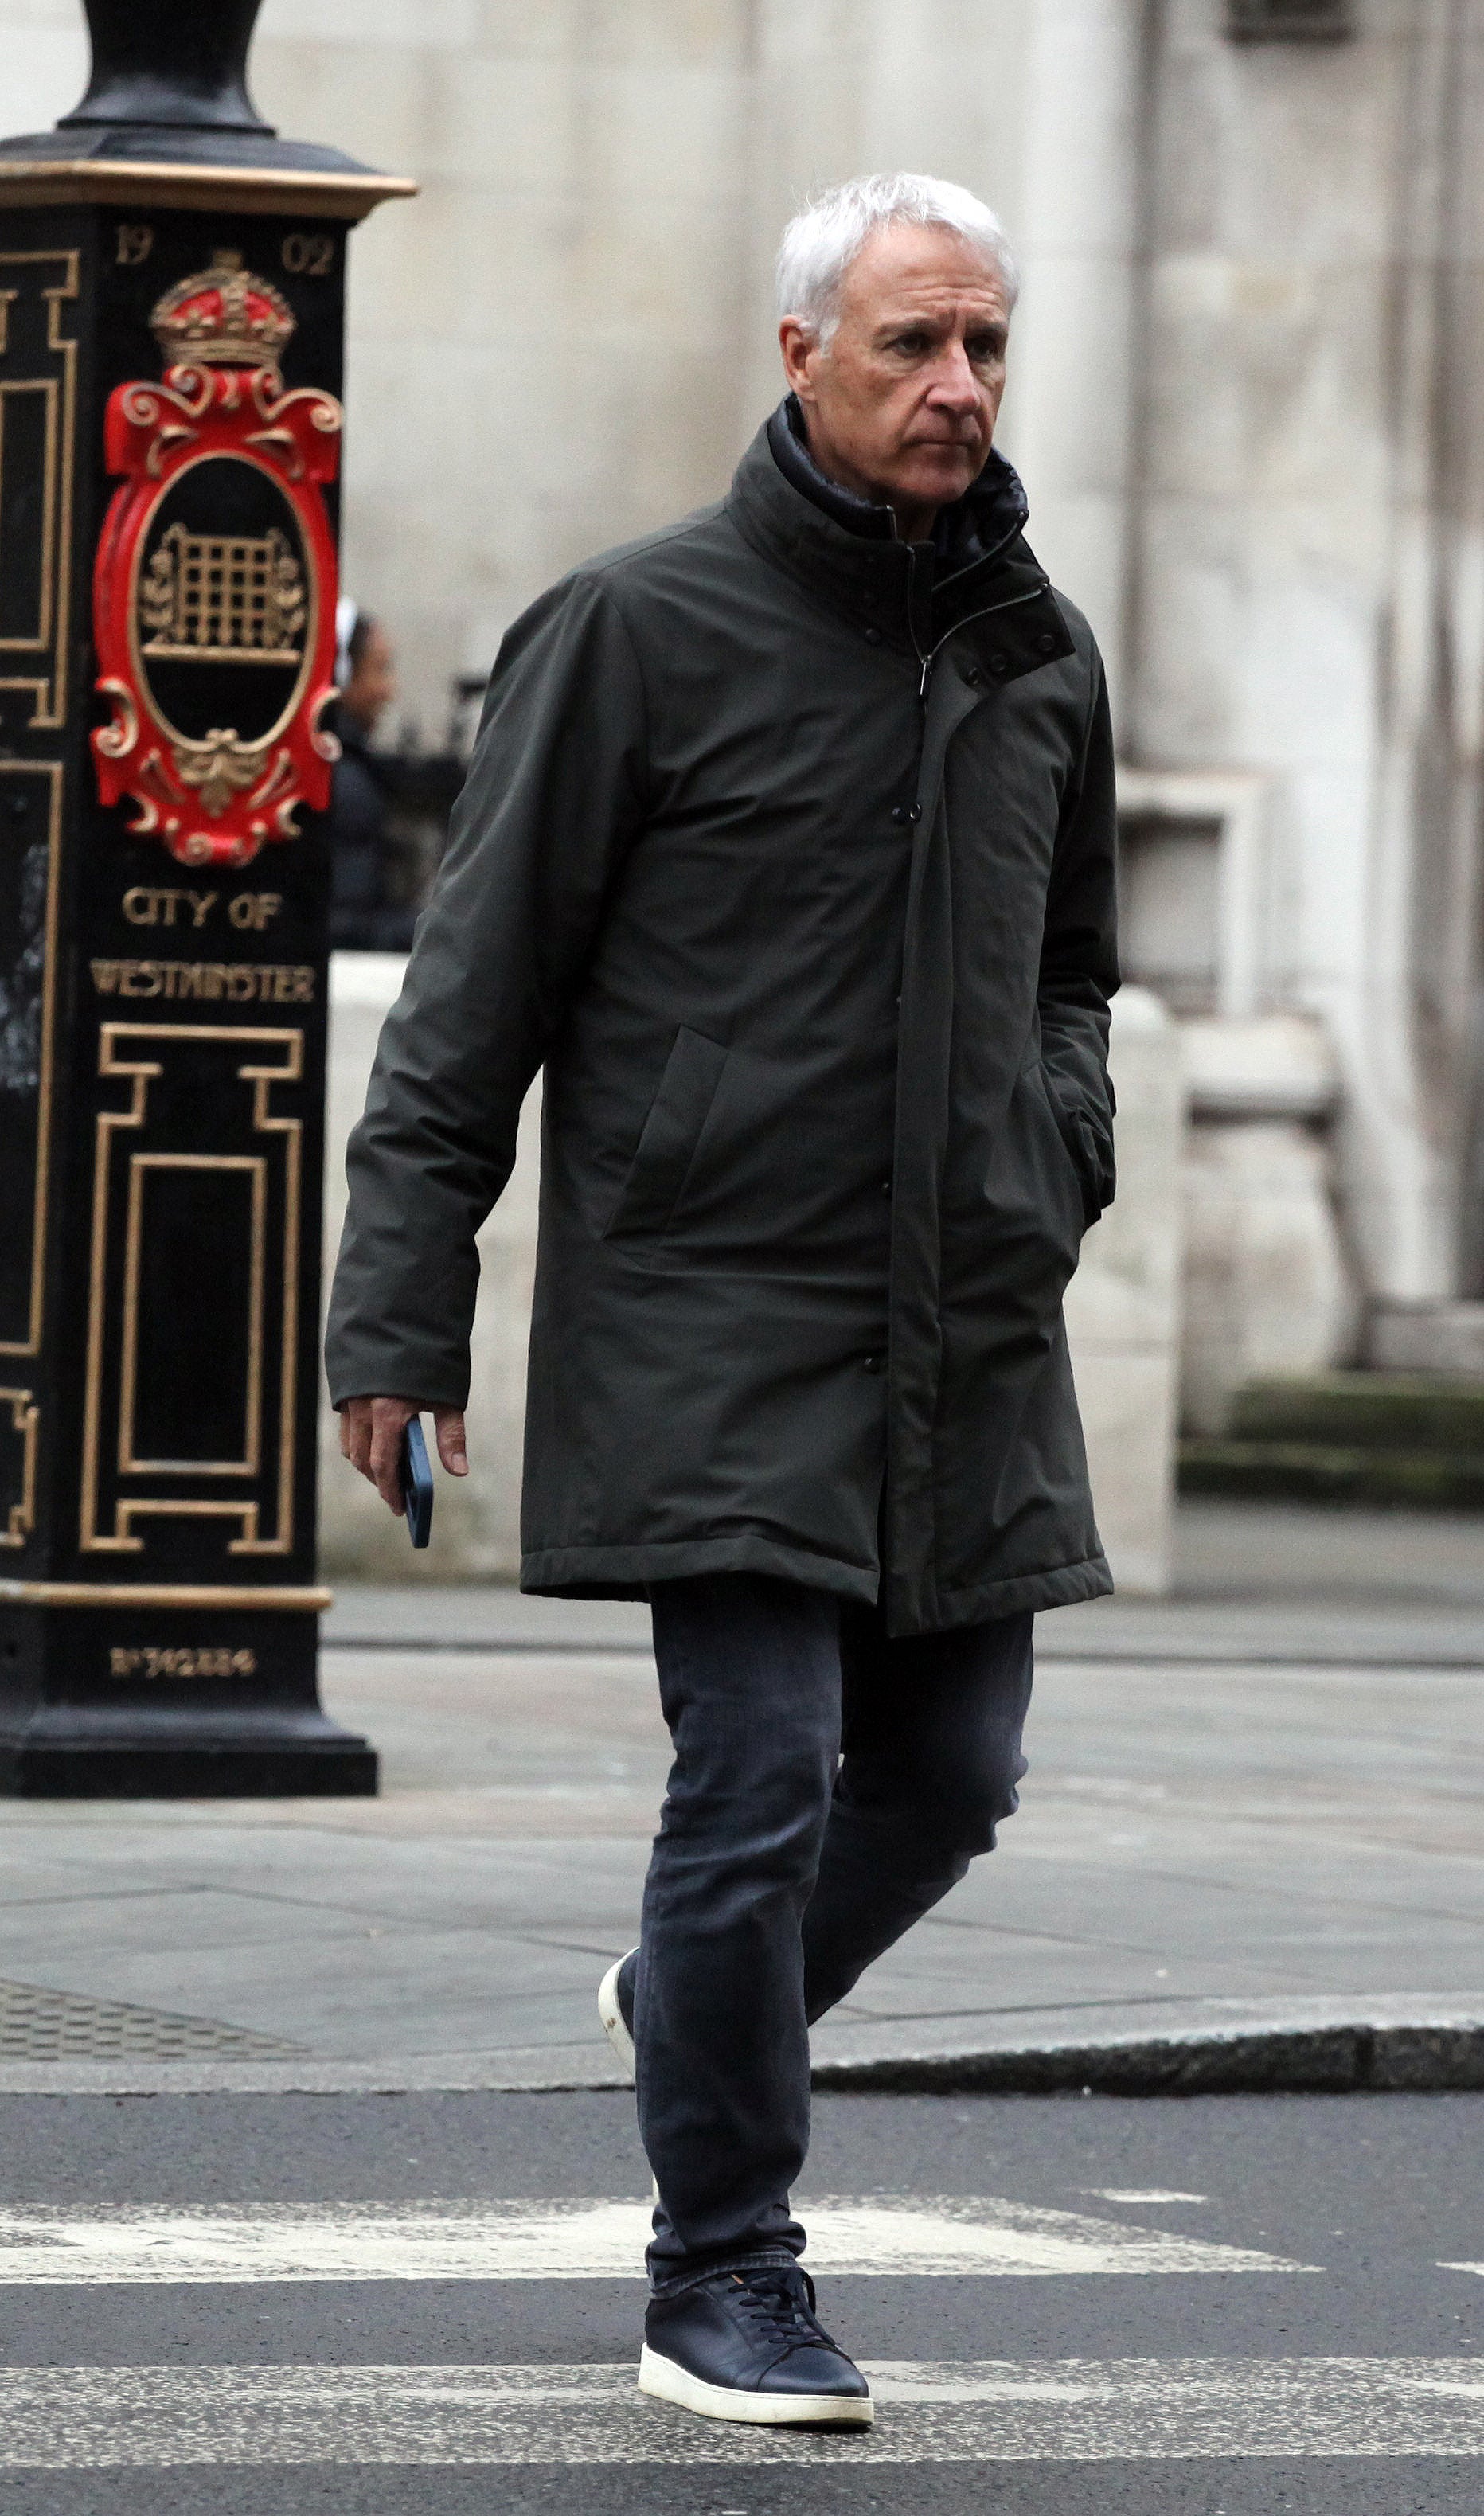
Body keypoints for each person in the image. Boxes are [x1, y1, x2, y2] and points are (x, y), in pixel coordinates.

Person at [327, 170, 1118, 2430]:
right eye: (909, 346)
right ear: (799, 355)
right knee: (759, 1774)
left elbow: (1080, 967)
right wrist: (399, 1313)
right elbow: (468, 1006)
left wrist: (1058, 1142)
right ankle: (724, 2277)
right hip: (711, 1312)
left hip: (964, 1323)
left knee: (953, 1775)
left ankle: (691, 1992)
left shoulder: (1040, 648)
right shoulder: (634, 631)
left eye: (982, 348)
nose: (956, 386)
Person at [327, 601, 416, 951]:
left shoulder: (346, 770)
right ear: (342, 677)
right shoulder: (345, 782)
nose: (389, 690)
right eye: (379, 670)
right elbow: (347, 921)